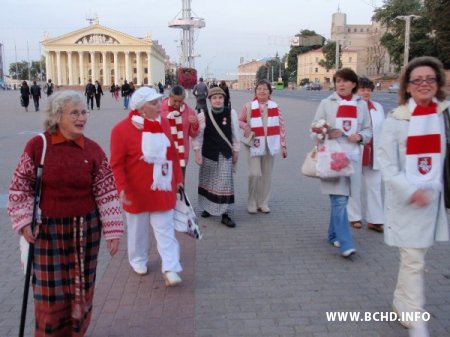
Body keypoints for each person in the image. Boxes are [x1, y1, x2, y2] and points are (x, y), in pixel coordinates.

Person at [7, 90, 124, 336]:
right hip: (48, 232)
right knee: (50, 297)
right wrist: (24, 220)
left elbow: (106, 191)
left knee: (80, 291)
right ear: (57, 116)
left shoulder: (92, 150)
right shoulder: (39, 145)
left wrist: (113, 230)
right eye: (75, 113)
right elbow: (20, 186)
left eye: (84, 112)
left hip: (86, 231)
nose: (82, 118)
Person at [377, 56, 449, 337]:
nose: (424, 84)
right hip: (408, 200)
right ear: (406, 86)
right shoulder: (396, 120)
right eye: (417, 80)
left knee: (414, 258)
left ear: (438, 83)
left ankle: (401, 300)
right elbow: (386, 163)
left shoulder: (444, 114)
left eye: (430, 79)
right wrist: (412, 191)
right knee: (414, 259)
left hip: (435, 200)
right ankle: (416, 319)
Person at [110, 87, 184, 286]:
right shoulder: (121, 130)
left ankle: (170, 267)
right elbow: (116, 164)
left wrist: (178, 178)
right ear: (141, 108)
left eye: (159, 101)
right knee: (137, 231)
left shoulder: (164, 123)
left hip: (162, 188)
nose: (160, 106)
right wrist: (122, 188)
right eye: (154, 103)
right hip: (136, 191)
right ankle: (138, 260)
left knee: (165, 230)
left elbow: (172, 154)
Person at [310, 68, 371, 257]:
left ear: (354, 84)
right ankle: (346, 243)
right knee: (339, 200)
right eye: (338, 81)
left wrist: (360, 136)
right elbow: (313, 130)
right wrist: (327, 132)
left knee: (341, 199)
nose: (341, 84)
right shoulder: (326, 103)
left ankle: (332, 234)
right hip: (333, 158)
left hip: (352, 158)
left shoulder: (361, 105)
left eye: (345, 81)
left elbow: (368, 131)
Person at [239, 79, 287, 215]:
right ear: (255, 91)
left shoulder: (275, 106)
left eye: (265, 89)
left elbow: (281, 126)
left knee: (266, 175)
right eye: (259, 88)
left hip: (270, 145)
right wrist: (245, 126)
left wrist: (283, 145)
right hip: (253, 144)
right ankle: (252, 202)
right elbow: (239, 120)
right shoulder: (248, 106)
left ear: (269, 92)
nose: (262, 91)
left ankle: (263, 203)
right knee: (254, 174)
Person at [193, 87, 239, 227]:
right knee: (208, 181)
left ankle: (226, 214)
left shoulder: (231, 113)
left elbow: (235, 134)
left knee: (225, 183)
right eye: (214, 98)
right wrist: (197, 152)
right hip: (209, 153)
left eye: (220, 97)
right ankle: (208, 208)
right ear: (210, 100)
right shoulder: (203, 115)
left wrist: (236, 151)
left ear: (224, 99)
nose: (217, 100)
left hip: (225, 153)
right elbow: (198, 137)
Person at [347, 77, 385, 233]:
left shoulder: (378, 107)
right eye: (362, 89)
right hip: (356, 152)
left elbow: (383, 129)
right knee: (354, 187)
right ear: (356, 90)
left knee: (375, 187)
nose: (366, 92)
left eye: (369, 89)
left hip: (374, 153)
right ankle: (354, 217)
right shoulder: (350, 107)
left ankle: (375, 220)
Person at [160, 85, 199, 179]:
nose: (177, 104)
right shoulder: (160, 108)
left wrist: (195, 125)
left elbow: (193, 134)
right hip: (162, 154)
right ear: (170, 97)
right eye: (175, 101)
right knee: (163, 186)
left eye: (180, 101)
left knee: (180, 185)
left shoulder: (189, 111)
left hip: (181, 155)